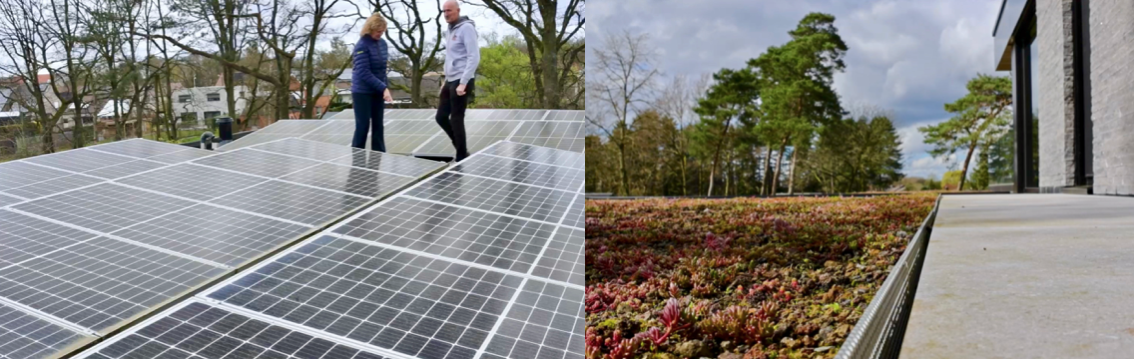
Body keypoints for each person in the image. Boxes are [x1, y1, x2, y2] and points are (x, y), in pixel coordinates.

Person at [436, 0, 480, 162]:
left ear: (458, 10)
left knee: (456, 118)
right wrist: (445, 82)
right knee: (440, 117)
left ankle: (461, 156)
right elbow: (451, 57)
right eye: (444, 11)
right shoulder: (449, 30)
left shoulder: (466, 28)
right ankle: (461, 147)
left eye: (449, 10)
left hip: (463, 80)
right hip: (450, 79)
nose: (447, 13)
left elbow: (473, 57)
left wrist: (464, 82)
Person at [351, 13, 393, 151]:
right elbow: (363, 72)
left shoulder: (383, 44)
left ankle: (379, 155)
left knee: (378, 126)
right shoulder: (361, 45)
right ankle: (357, 158)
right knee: (363, 125)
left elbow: (382, 69)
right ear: (370, 29)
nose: (380, 34)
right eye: (378, 31)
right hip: (362, 92)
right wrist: (383, 88)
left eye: (382, 31)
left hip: (377, 91)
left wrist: (385, 87)